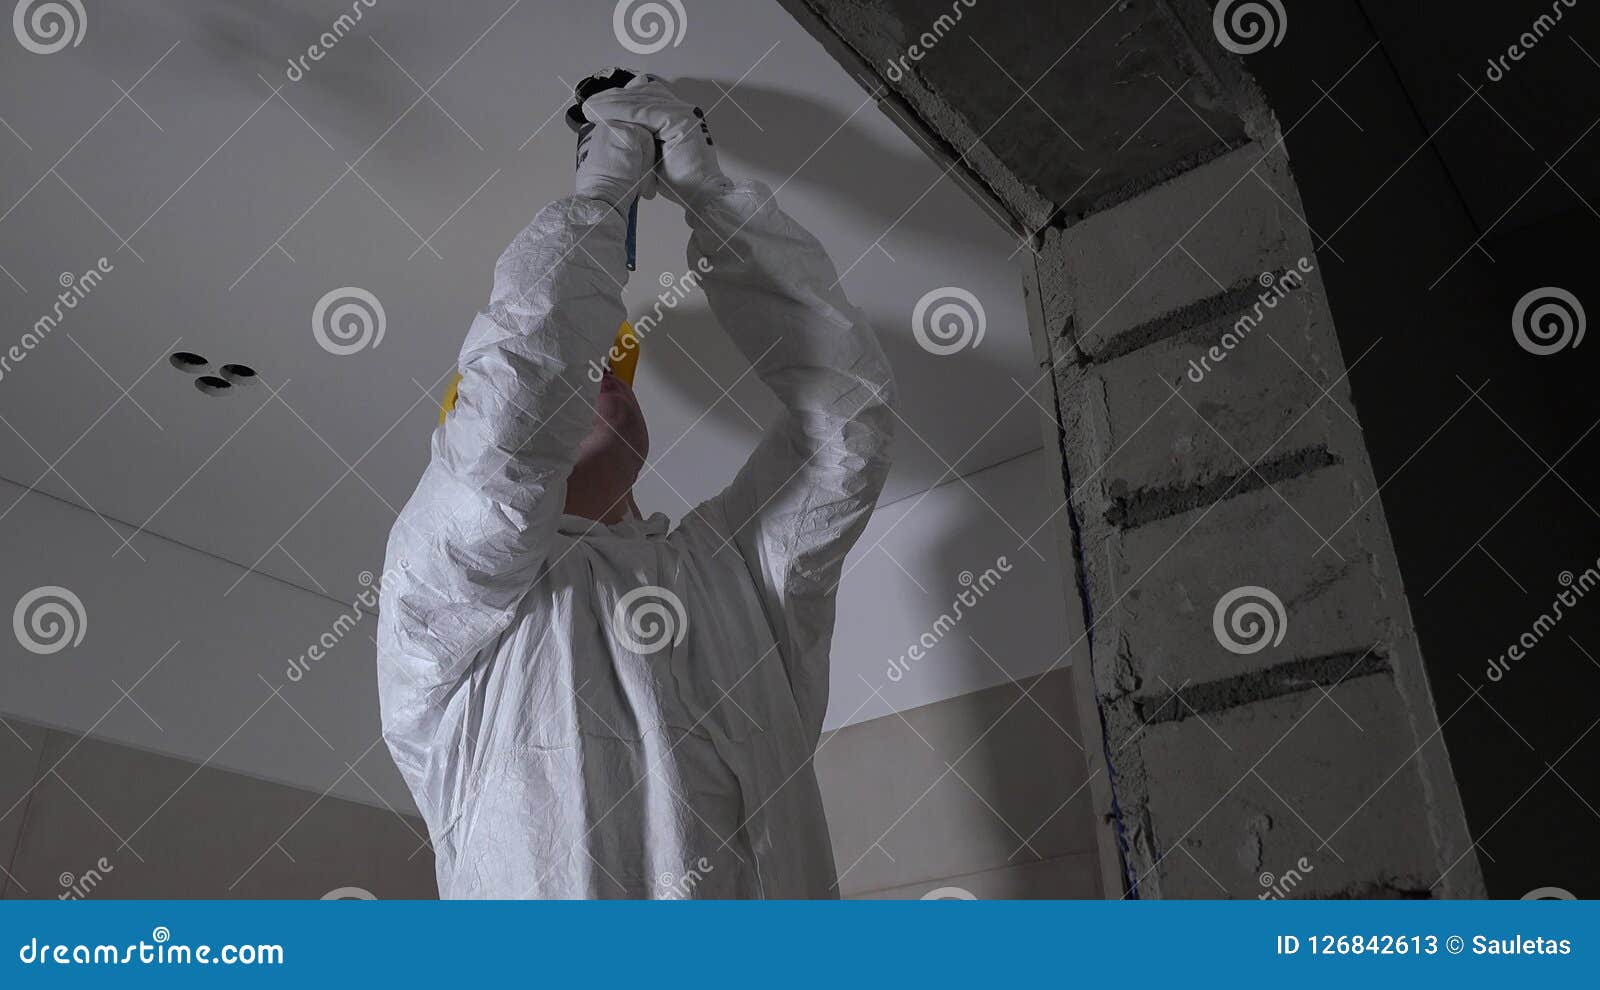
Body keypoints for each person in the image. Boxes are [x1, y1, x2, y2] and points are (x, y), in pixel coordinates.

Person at [376, 73, 896, 898]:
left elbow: (847, 433)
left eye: (610, 371)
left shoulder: (736, 576)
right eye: (579, 374)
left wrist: (711, 196)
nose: (603, 381)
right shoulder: (442, 604)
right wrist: (607, 187)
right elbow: (504, 441)